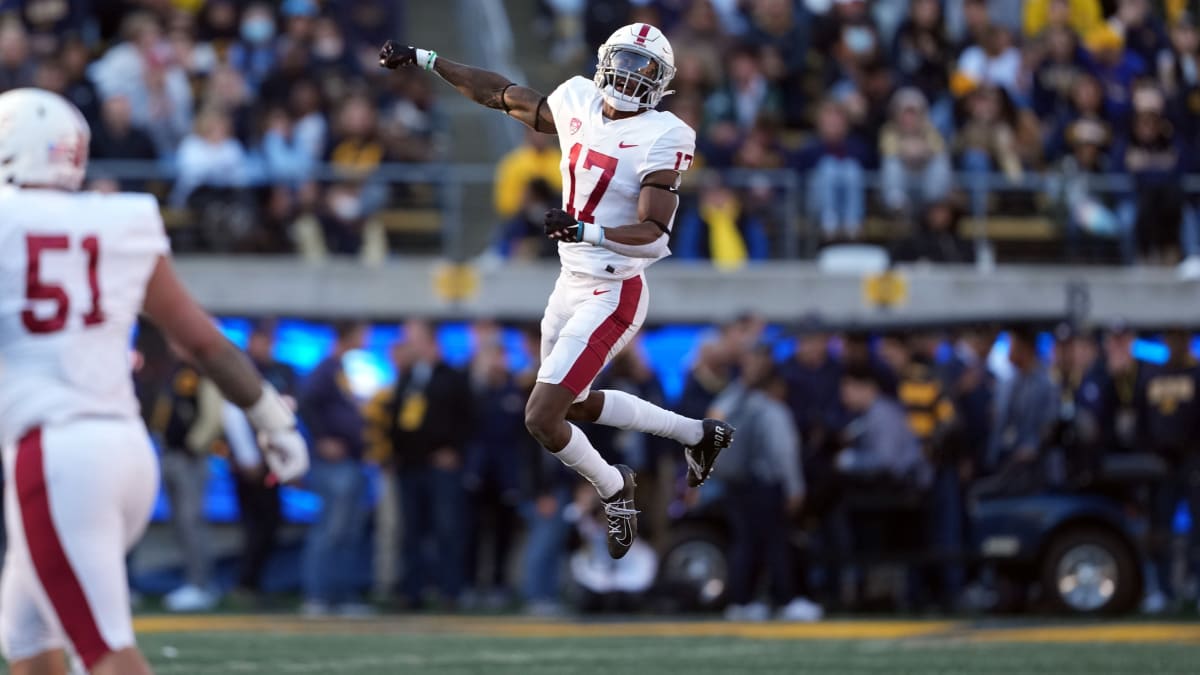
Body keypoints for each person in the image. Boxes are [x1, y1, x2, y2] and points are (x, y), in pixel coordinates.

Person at [380, 23, 735, 559]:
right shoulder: (576, 100)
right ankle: (696, 435)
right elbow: (498, 94)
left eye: (645, 69)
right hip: (569, 281)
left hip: (613, 290)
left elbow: (654, 232)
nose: (631, 76)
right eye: (626, 61)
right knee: (575, 406)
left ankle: (617, 489)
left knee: (541, 416)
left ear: (661, 83)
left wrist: (587, 230)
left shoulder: (666, 133)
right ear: (604, 60)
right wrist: (429, 58)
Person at [0, 88, 307, 675]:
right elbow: (199, 339)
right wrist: (272, 418)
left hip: (57, 456)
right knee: (29, 640)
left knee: (106, 654)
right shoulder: (118, 219)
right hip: (123, 452)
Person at [710, 344, 820, 622]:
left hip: (738, 485)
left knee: (746, 544)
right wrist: (795, 489)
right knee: (776, 544)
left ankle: (742, 600)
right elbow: (784, 453)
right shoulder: (772, 411)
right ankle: (787, 599)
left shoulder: (737, 405)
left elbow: (716, 414)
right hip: (767, 486)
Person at [297, 320, 372, 617]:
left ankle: (342, 596)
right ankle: (317, 595)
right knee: (331, 530)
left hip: (352, 461)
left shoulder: (342, 370)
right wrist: (322, 440)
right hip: (334, 465)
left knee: (348, 532)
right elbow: (306, 403)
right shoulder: (326, 369)